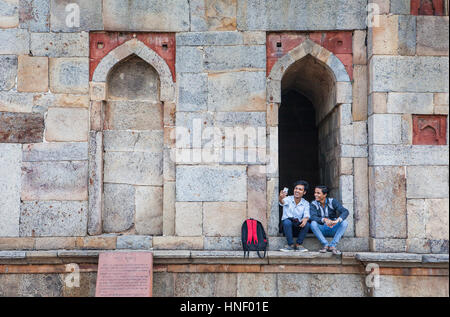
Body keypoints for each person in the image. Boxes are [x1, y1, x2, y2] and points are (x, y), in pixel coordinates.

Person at [310, 185, 349, 255]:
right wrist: (324, 220)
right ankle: (325, 244)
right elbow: (312, 217)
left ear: (325, 194)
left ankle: (332, 245)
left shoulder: (332, 201)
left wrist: (337, 220)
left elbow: (345, 211)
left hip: (332, 228)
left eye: (318, 193)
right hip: (321, 229)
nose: (315, 195)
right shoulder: (313, 203)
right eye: (315, 192)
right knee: (313, 223)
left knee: (344, 223)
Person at [278, 180, 311, 252]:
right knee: (287, 222)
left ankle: (298, 245)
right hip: (286, 227)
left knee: (307, 224)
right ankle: (290, 245)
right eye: (296, 188)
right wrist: (281, 197)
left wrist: (305, 219)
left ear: (304, 192)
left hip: (297, 226)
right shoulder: (288, 199)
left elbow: (307, 215)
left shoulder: (305, 203)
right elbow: (282, 202)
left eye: (300, 189)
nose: (297, 191)